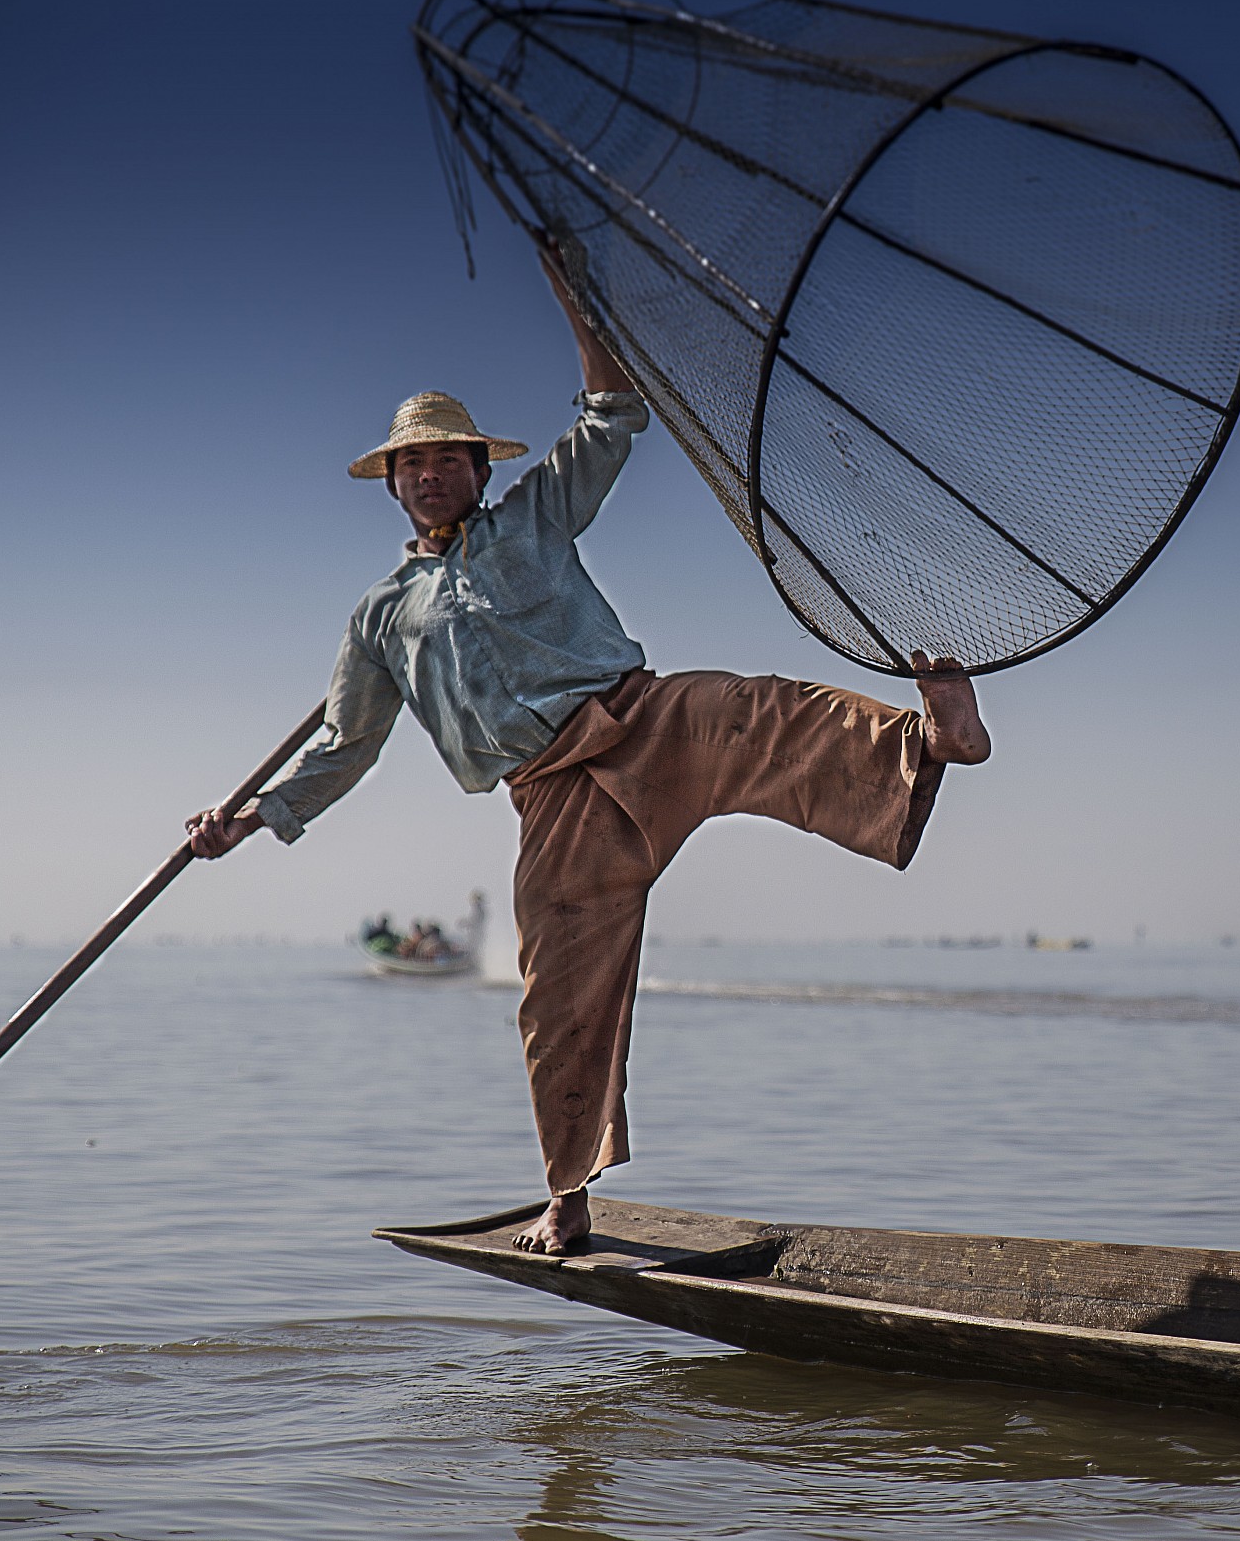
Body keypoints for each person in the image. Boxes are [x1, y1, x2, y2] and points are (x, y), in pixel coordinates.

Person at [184, 248, 991, 1256]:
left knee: (764, 711)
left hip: (645, 720)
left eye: (448, 460)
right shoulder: (380, 619)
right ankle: (567, 1194)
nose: (431, 474)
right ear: (392, 485)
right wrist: (248, 819)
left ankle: (929, 739)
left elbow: (611, 415)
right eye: (412, 465)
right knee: (558, 996)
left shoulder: (533, 518)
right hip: (552, 796)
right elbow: (346, 745)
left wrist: (573, 291)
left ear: (481, 472)